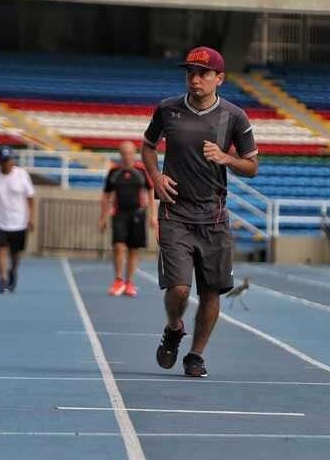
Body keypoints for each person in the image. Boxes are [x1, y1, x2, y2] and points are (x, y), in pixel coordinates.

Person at [142, 46, 258, 378]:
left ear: (219, 78)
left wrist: (227, 159)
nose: (195, 79)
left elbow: (251, 166)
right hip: (175, 213)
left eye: (203, 73)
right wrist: (155, 176)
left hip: (214, 216)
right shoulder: (167, 110)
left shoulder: (234, 117)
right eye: (190, 72)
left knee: (211, 291)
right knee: (178, 289)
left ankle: (196, 355)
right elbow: (148, 147)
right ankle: (175, 327)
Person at [99, 140, 157, 298]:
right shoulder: (114, 172)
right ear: (120, 155)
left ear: (134, 154)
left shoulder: (141, 171)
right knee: (118, 246)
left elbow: (151, 192)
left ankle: (129, 283)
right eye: (124, 154)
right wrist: (103, 217)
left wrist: (153, 215)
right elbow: (106, 195)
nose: (127, 157)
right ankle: (118, 280)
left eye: (130, 153)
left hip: (138, 215)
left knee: (133, 249)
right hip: (119, 214)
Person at [0, 146, 36, 294]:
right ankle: (2, 279)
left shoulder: (22, 175)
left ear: (12, 160)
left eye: (8, 160)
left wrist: (31, 218)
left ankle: (12, 272)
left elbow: (30, 198)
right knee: (0, 249)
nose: (5, 164)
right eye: (2, 161)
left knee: (15, 254)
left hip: (19, 222)